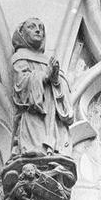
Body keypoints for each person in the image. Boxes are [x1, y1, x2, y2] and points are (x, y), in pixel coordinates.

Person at [10, 18, 74, 159]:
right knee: (34, 152)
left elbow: (63, 88)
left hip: (52, 113)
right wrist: (45, 75)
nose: (38, 30)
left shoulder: (48, 60)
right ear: (21, 33)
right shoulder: (19, 57)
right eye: (31, 27)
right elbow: (21, 85)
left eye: (40, 27)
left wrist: (56, 79)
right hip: (35, 113)